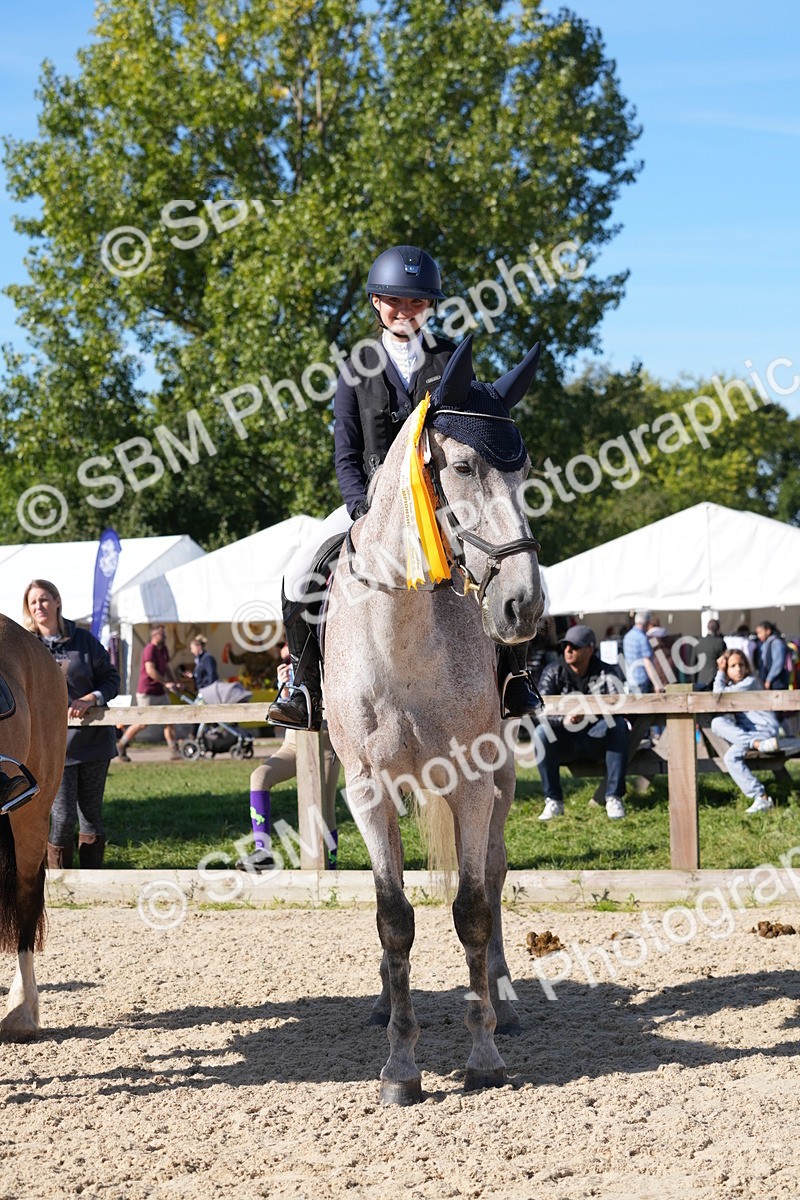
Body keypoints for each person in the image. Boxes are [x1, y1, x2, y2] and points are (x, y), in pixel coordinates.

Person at [267, 244, 541, 731]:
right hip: (373, 505)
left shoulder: (451, 363)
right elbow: (346, 451)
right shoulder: (355, 368)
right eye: (395, 301)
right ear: (376, 301)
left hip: (443, 504)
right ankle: (304, 687)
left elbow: (470, 434)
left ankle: (514, 678)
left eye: (416, 302)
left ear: (429, 306)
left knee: (514, 563)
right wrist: (357, 506)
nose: (405, 311)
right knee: (298, 572)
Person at [22, 579, 120, 868]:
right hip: (51, 747)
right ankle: (62, 882)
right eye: (33, 602)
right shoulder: (26, 646)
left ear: (57, 601)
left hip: (94, 743)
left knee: (91, 816)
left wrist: (92, 697)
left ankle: (92, 880)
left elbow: (111, 679)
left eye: (44, 599)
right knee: (62, 817)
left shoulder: (84, 640)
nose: (39, 606)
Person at [237, 646, 339, 872]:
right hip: (292, 743)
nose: (287, 652)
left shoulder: (330, 657)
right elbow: (285, 717)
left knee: (325, 810)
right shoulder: (293, 666)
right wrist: (283, 691)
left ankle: (330, 870)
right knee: (259, 776)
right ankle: (263, 851)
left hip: (325, 745)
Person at [534, 625, 629, 821]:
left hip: (597, 739)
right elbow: (540, 709)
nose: (568, 650)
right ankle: (554, 801)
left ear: (590, 649)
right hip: (565, 741)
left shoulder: (607, 672)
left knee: (618, 726)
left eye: (575, 646)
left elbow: (619, 705)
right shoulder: (553, 671)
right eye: (566, 645)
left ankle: (613, 797)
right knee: (540, 734)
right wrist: (564, 719)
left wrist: (590, 714)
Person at [710, 649, 779, 813]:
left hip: (764, 730)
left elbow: (718, 695)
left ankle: (760, 796)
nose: (738, 669)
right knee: (718, 728)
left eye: (741, 665)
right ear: (728, 669)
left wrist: (720, 672)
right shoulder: (734, 685)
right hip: (752, 736)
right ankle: (761, 797)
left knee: (719, 728)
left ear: (747, 667)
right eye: (733, 666)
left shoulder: (749, 682)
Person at [117, 625, 181, 761]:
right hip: (147, 692)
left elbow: (167, 667)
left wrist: (173, 682)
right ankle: (121, 745)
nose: (164, 637)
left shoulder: (163, 649)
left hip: (160, 692)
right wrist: (166, 683)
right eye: (162, 635)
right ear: (155, 636)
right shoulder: (149, 650)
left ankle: (174, 750)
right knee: (142, 723)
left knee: (169, 720)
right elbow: (150, 670)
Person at [622, 611, 662, 694]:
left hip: (630, 679)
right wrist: (656, 683)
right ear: (647, 623)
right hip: (642, 681)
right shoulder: (642, 638)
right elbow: (647, 662)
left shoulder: (627, 636)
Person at [755, 621, 789, 690]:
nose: (758, 636)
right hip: (771, 683)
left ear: (768, 631)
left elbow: (778, 663)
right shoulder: (766, 644)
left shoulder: (776, 643)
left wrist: (769, 679)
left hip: (778, 683)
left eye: (760, 632)